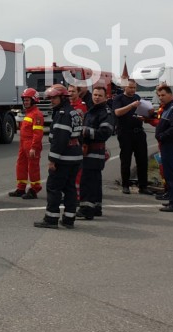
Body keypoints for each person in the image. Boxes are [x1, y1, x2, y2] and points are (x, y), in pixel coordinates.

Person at [34, 85, 83, 229]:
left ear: (62, 97)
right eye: (50, 98)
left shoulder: (62, 114)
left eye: (54, 98)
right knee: (70, 188)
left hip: (64, 158)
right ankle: (69, 219)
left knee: (54, 188)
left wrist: (52, 160)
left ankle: (51, 219)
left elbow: (59, 140)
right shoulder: (72, 112)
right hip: (74, 156)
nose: (51, 101)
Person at [78, 85, 115, 219]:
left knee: (87, 182)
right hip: (89, 152)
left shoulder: (105, 112)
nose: (97, 97)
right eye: (95, 95)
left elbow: (105, 133)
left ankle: (86, 210)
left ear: (105, 97)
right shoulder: (91, 111)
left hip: (95, 153)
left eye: (100, 95)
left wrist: (85, 132)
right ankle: (96, 207)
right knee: (95, 182)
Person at [112, 79, 153, 195]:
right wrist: (131, 105)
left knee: (142, 159)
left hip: (138, 131)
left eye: (134, 88)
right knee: (126, 159)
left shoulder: (137, 97)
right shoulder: (119, 98)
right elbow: (117, 113)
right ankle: (125, 184)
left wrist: (145, 116)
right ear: (125, 87)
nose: (133, 90)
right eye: (130, 87)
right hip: (125, 132)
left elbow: (143, 112)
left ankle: (143, 186)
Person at [8, 88, 44, 199]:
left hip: (31, 144)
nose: (25, 102)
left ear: (34, 100)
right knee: (21, 166)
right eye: (24, 100)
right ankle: (21, 188)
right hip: (23, 144)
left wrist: (34, 147)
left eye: (27, 100)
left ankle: (34, 189)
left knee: (33, 167)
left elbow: (38, 134)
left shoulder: (36, 114)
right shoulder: (29, 113)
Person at [155, 84, 173, 212]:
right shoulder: (167, 108)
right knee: (168, 173)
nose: (161, 98)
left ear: (170, 95)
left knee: (171, 174)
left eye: (163, 95)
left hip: (170, 144)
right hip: (166, 144)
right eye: (159, 95)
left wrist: (162, 136)